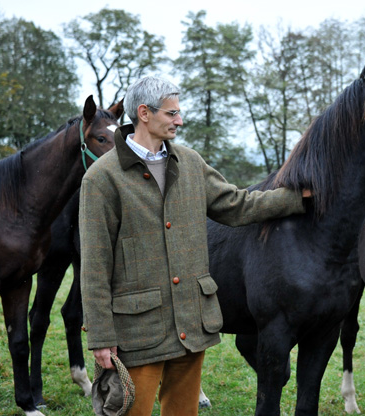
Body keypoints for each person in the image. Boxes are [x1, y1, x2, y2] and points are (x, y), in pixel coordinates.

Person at [79, 76, 310, 416]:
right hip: (136, 332)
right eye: (171, 113)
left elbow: (237, 204)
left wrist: (296, 199)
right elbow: (94, 265)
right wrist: (100, 337)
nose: (180, 120)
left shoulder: (190, 162)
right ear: (144, 113)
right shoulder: (101, 178)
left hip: (190, 324)